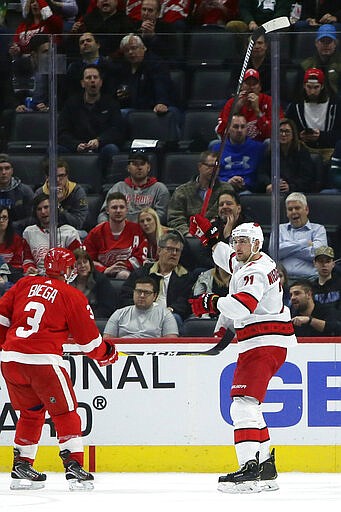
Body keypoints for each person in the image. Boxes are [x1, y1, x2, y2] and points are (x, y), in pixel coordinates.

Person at [188, 217, 297, 492]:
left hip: (262, 344)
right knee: (251, 406)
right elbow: (229, 260)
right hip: (266, 343)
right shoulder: (250, 261)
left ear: (256, 243)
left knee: (242, 405)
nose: (236, 246)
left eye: (242, 241)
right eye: (234, 240)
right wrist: (210, 238)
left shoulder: (256, 271)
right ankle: (265, 466)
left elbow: (242, 306)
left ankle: (249, 468)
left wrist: (210, 302)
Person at [0, 247, 118, 491]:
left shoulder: (24, 284)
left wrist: (7, 346)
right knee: (65, 411)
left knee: (31, 411)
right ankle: (74, 466)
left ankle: (22, 465)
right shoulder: (71, 294)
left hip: (11, 360)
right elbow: (89, 342)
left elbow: (1, 317)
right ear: (67, 270)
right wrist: (106, 353)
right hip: (42, 362)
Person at [120, 231, 195, 330]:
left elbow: (186, 302)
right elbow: (126, 295)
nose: (174, 253)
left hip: (169, 316)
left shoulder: (185, 277)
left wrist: (170, 310)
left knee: (174, 319)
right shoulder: (142, 273)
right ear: (159, 250)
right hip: (141, 312)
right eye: (170, 249)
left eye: (177, 250)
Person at [58, 64, 124, 175]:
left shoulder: (111, 103)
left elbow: (117, 130)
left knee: (112, 149)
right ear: (82, 83)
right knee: (55, 149)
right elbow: (62, 131)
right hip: (77, 146)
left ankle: (104, 182)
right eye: (88, 78)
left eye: (95, 77)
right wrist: (76, 144)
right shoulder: (71, 104)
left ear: (101, 82)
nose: (92, 81)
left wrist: (99, 141)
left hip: (101, 146)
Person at [114, 33, 181, 130]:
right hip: (135, 108)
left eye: (134, 48)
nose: (131, 52)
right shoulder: (123, 68)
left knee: (168, 114)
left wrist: (161, 102)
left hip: (157, 105)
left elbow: (161, 85)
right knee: (121, 113)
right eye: (126, 50)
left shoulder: (155, 63)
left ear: (144, 48)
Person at [167, 150, 234, 237]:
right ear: (200, 166)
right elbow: (175, 217)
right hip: (189, 237)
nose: (213, 170)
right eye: (210, 166)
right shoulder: (182, 191)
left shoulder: (226, 189)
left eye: (216, 166)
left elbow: (231, 214)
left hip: (218, 235)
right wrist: (187, 234)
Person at [84, 191, 148, 279]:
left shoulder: (137, 230)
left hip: (129, 275)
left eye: (122, 207)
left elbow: (141, 258)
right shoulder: (95, 233)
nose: (118, 211)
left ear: (127, 209)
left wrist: (120, 268)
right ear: (107, 210)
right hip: (101, 276)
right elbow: (86, 259)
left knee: (123, 275)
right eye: (114, 207)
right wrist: (105, 270)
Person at [98, 151, 170, 225]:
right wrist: (104, 226)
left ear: (148, 167)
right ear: (128, 168)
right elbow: (104, 213)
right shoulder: (118, 187)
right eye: (135, 164)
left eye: (142, 164)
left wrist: (139, 226)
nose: (139, 167)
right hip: (121, 229)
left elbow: (161, 216)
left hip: (147, 229)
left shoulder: (160, 189)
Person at [270, 192, 328, 282]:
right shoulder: (279, 229)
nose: (294, 212)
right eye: (290, 209)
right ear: (287, 213)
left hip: (311, 280)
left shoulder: (318, 229)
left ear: (306, 210)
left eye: (297, 208)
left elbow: (318, 254)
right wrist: (304, 243)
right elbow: (274, 253)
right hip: (283, 281)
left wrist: (286, 250)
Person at [216, 69, 284, 143]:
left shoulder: (270, 102)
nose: (251, 87)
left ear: (260, 87)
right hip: (237, 144)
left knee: (268, 142)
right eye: (247, 83)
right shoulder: (232, 102)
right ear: (241, 86)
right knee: (215, 144)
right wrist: (235, 111)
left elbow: (275, 133)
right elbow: (221, 131)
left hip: (261, 144)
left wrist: (257, 111)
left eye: (254, 84)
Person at [286, 67, 341, 160]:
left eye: (316, 87)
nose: (312, 92)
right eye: (309, 87)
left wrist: (322, 136)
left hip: (330, 150)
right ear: (304, 86)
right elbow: (288, 128)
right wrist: (299, 135)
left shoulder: (336, 104)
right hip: (303, 151)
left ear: (322, 86)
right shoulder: (295, 106)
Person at [22, 193, 82, 275]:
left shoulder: (70, 232)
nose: (43, 212)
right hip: (38, 278)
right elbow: (28, 259)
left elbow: (78, 261)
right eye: (39, 209)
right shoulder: (29, 232)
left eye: (46, 207)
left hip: (63, 279)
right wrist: (30, 268)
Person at [104, 276, 178, 338]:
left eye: (147, 292)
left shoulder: (166, 315)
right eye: (139, 291)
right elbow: (107, 341)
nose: (142, 296)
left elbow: (171, 344)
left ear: (155, 296)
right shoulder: (119, 314)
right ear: (133, 293)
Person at [257, 117, 317, 194]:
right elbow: (262, 173)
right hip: (274, 190)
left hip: (296, 191)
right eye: (280, 131)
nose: (283, 134)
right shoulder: (269, 151)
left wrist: (290, 186)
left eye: (287, 131)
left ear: (293, 135)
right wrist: (268, 184)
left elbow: (307, 177)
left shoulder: (302, 151)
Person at [211, 113, 266, 193]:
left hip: (248, 190)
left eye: (243, 127)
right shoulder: (217, 148)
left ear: (247, 129)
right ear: (228, 129)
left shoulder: (258, 148)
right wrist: (227, 182)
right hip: (223, 189)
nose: (239, 130)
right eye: (236, 127)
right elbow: (213, 175)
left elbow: (260, 175)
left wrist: (245, 183)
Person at [34, 157, 89, 231]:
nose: (57, 180)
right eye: (53, 176)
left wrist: (57, 205)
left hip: (72, 232)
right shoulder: (40, 193)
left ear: (67, 176)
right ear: (47, 177)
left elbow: (78, 224)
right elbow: (35, 221)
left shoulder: (77, 192)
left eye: (61, 176)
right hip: (46, 232)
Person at [71, 247, 118, 318]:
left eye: (85, 262)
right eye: (78, 263)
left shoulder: (100, 280)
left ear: (90, 263)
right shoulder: (67, 281)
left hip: (95, 319)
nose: (83, 266)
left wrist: (88, 317)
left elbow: (107, 308)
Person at [64, 32, 115, 98]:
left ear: (98, 45)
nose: (85, 43)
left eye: (88, 40)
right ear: (79, 49)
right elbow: (70, 93)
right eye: (82, 42)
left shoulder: (109, 66)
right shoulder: (73, 68)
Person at [300, 24, 341, 98]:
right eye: (322, 41)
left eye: (329, 41)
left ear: (335, 43)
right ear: (316, 43)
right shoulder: (306, 65)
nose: (326, 45)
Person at [0, 153, 34, 233]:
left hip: (20, 232)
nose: (3, 172)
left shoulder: (25, 191)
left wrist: (13, 225)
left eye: (7, 168)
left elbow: (33, 218)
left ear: (12, 171)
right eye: (0, 169)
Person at [311, 245, 341, 314]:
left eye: (328, 261)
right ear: (315, 264)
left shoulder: (339, 284)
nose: (324, 265)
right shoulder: (311, 288)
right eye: (321, 261)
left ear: (333, 264)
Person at [0, 206, 24, 283]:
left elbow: (17, 264)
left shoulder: (16, 239)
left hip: (10, 276)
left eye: (4, 217)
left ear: (9, 220)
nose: (1, 221)